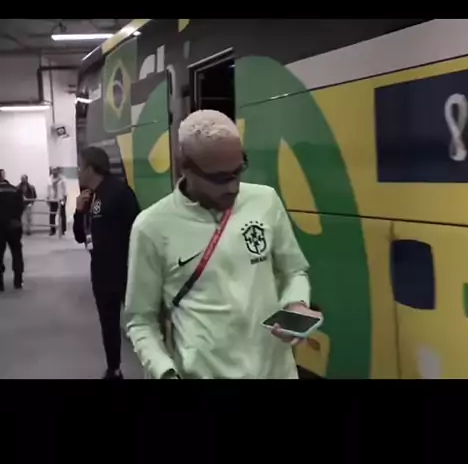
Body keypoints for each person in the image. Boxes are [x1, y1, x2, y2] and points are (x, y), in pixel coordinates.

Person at [125, 109, 322, 379]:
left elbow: (293, 271)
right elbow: (140, 320)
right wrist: (165, 372)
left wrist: (296, 303)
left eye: (238, 171)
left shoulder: (265, 201)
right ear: (184, 167)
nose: (232, 187)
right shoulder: (151, 227)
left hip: (276, 372)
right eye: (219, 178)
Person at [73, 146, 141, 380]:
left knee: (140, 321)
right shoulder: (89, 196)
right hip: (101, 272)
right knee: (108, 323)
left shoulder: (119, 193)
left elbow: (138, 230)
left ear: (91, 169)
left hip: (124, 270)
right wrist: (78, 211)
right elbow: (80, 236)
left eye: (80, 167)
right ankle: (114, 369)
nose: (78, 172)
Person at [0, 169, 25, 291]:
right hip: (14, 226)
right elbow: (21, 207)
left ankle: (0, 284)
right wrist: (15, 217)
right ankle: (18, 281)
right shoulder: (15, 190)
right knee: (16, 252)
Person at [47, 167, 67, 236]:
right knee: (52, 214)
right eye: (53, 170)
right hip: (52, 199)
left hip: (61, 199)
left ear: (58, 171)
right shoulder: (49, 179)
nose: (54, 171)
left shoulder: (62, 179)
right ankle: (52, 230)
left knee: (62, 214)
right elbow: (48, 189)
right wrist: (48, 197)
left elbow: (65, 189)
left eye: (55, 170)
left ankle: (63, 229)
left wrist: (65, 198)